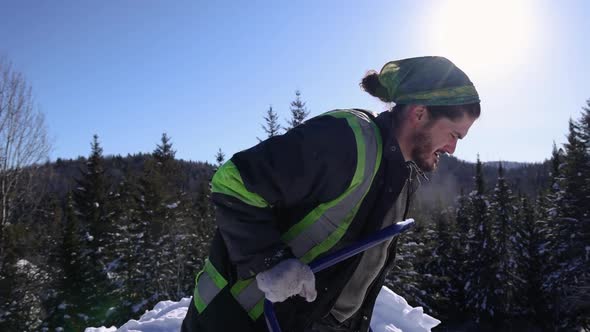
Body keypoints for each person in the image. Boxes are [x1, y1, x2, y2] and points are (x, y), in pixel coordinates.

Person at [182, 56, 481, 332]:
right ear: (419, 113)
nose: (453, 149)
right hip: (237, 318)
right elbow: (233, 181)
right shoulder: (347, 140)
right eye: (453, 134)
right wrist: (269, 261)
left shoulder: (403, 175)